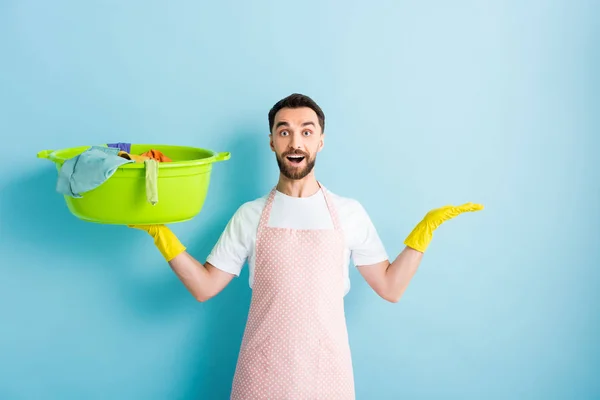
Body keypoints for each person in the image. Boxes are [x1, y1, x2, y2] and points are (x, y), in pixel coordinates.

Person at [132, 93, 483, 399]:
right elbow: (204, 286)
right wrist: (160, 234)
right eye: (284, 131)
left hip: (327, 375)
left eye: (306, 131)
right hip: (262, 374)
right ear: (271, 141)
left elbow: (391, 287)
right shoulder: (249, 215)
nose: (295, 141)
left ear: (320, 142)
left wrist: (423, 233)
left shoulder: (349, 213)